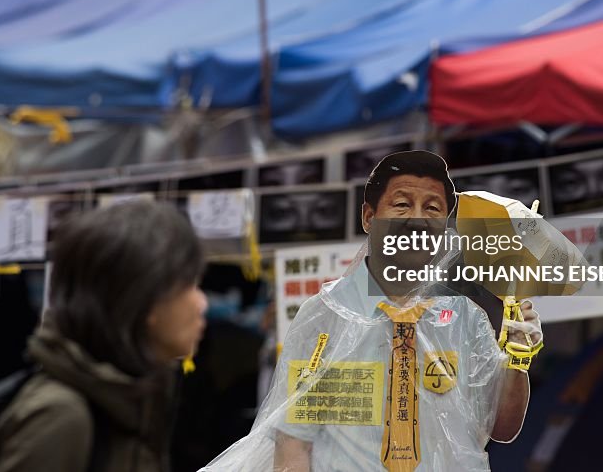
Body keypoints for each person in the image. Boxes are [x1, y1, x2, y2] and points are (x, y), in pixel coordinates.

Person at [203, 151, 543, 471]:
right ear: (369, 217)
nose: (417, 221)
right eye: (401, 204)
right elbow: (294, 442)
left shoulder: (465, 319)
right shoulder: (325, 314)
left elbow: (502, 428)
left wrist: (518, 359)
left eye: (433, 208)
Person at [0, 200, 208, 472]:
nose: (201, 302)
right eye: (189, 285)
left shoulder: (133, 397)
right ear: (144, 297)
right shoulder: (61, 416)